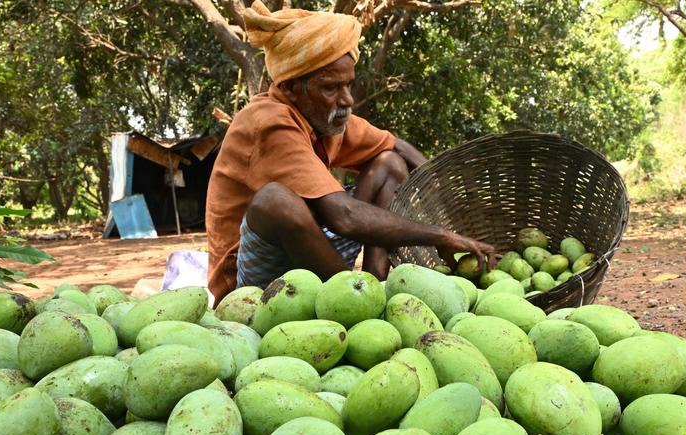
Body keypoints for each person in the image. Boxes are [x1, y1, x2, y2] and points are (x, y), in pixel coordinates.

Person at [204, 1, 496, 303]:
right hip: (250, 281)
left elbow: (394, 145)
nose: (347, 100)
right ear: (291, 87)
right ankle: (362, 301)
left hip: (308, 254)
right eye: (331, 88)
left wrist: (446, 196)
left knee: (389, 164)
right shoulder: (269, 122)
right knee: (276, 200)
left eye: (349, 85)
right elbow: (342, 217)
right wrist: (441, 236)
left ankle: (376, 281)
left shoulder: (322, 116)